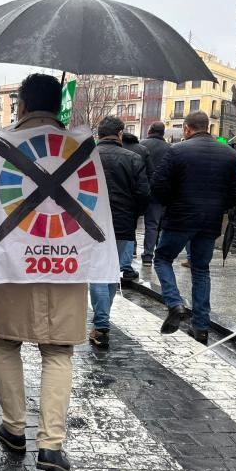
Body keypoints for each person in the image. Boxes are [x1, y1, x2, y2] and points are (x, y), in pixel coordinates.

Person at [0, 74, 88, 471]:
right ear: (58, 104)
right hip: (65, 262)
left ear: (21, 105)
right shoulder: (81, 147)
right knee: (58, 351)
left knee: (5, 342)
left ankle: (13, 428)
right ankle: (52, 445)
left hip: (11, 263)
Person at [153, 111, 236, 344]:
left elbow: (158, 185)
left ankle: (175, 303)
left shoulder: (176, 151)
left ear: (186, 129)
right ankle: (201, 327)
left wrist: (171, 203)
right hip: (210, 221)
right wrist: (218, 206)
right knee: (201, 270)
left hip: (180, 218)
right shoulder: (229, 154)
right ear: (208, 128)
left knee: (162, 258)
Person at [89, 117, 149, 347]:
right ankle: (102, 320)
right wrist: (134, 214)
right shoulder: (133, 158)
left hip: (92, 224)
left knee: (97, 273)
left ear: (99, 134)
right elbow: (144, 193)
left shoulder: (87, 157)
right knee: (112, 273)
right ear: (120, 134)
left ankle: (101, 324)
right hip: (124, 224)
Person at [119, 132, 154, 279]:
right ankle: (126, 265)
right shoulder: (141, 151)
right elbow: (148, 176)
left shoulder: (99, 151)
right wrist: (140, 207)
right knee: (129, 232)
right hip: (130, 201)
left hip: (106, 202)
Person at [140, 122, 171, 266]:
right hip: (159, 192)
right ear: (163, 133)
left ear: (150, 130)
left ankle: (131, 250)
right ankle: (148, 256)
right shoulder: (170, 149)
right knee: (153, 224)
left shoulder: (141, 145)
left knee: (132, 221)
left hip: (139, 189)